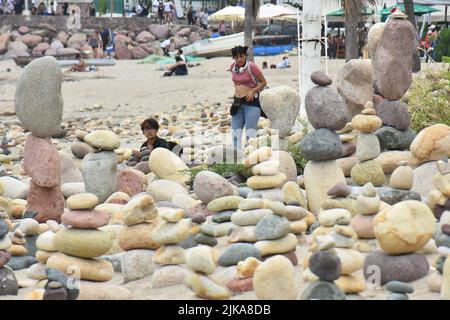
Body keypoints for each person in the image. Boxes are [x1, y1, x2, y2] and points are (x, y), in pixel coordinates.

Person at [229, 45, 267, 149]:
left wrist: (253, 91)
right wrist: (237, 93)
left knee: (250, 133)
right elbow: (236, 83)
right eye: (236, 57)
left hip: (251, 102)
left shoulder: (252, 67)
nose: (239, 59)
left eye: (241, 56)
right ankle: (238, 158)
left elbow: (263, 82)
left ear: (245, 55)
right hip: (237, 103)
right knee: (236, 133)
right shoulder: (233, 67)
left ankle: (250, 156)